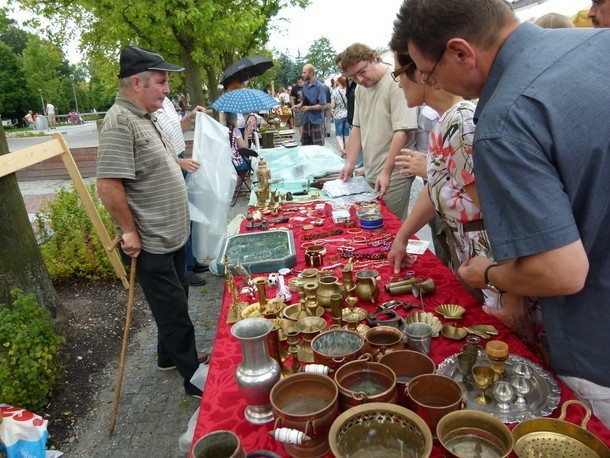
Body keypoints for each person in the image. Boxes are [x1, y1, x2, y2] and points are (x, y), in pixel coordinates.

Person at [393, 0, 610, 426]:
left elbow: (562, 272)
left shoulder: (504, 119)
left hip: (595, 339)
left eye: (430, 72)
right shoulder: (598, 42)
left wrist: (488, 274)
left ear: (461, 51)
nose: (431, 82)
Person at [387, 50, 537, 346]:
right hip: (483, 266)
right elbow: (439, 191)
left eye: (398, 74)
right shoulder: (446, 124)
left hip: (496, 268)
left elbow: (503, 213)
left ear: (419, 71)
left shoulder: (460, 123)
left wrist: (513, 292)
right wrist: (402, 236)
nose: (398, 83)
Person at [96, 45, 207, 399]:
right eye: (161, 82)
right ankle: (195, 380)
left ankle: (168, 357)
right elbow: (108, 184)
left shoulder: (145, 116)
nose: (167, 90)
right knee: (174, 312)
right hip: (152, 241)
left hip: (171, 234)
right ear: (136, 82)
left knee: (176, 302)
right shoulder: (119, 122)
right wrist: (128, 230)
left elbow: (156, 165)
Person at [337, 43, 418, 221]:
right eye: (353, 77)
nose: (359, 80)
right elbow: (357, 126)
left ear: (374, 59)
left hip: (396, 172)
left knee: (389, 227)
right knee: (372, 228)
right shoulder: (360, 89)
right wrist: (350, 163)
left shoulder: (395, 82)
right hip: (373, 170)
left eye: (362, 72)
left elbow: (401, 132)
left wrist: (387, 171)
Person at [155, 96, 208, 286]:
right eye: (162, 81)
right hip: (171, 163)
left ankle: (192, 261)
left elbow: (177, 130)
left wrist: (190, 119)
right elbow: (153, 148)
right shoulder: (148, 106)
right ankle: (185, 269)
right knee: (181, 215)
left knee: (189, 211)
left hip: (179, 157)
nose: (166, 88)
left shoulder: (166, 101)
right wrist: (177, 162)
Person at [293, 64, 326, 146]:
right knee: (305, 147)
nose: (302, 75)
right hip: (307, 121)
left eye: (304, 73)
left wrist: (309, 108)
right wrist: (299, 106)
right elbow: (305, 100)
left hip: (317, 122)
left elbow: (322, 105)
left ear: (311, 73)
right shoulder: (305, 85)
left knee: (318, 148)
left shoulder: (320, 86)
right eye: (302, 72)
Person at [330, 76, 350, 157]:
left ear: (339, 82)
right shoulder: (347, 91)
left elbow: (332, 105)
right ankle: (347, 152)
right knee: (347, 134)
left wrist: (332, 111)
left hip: (338, 115)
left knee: (338, 134)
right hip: (347, 114)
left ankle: (342, 149)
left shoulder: (335, 92)